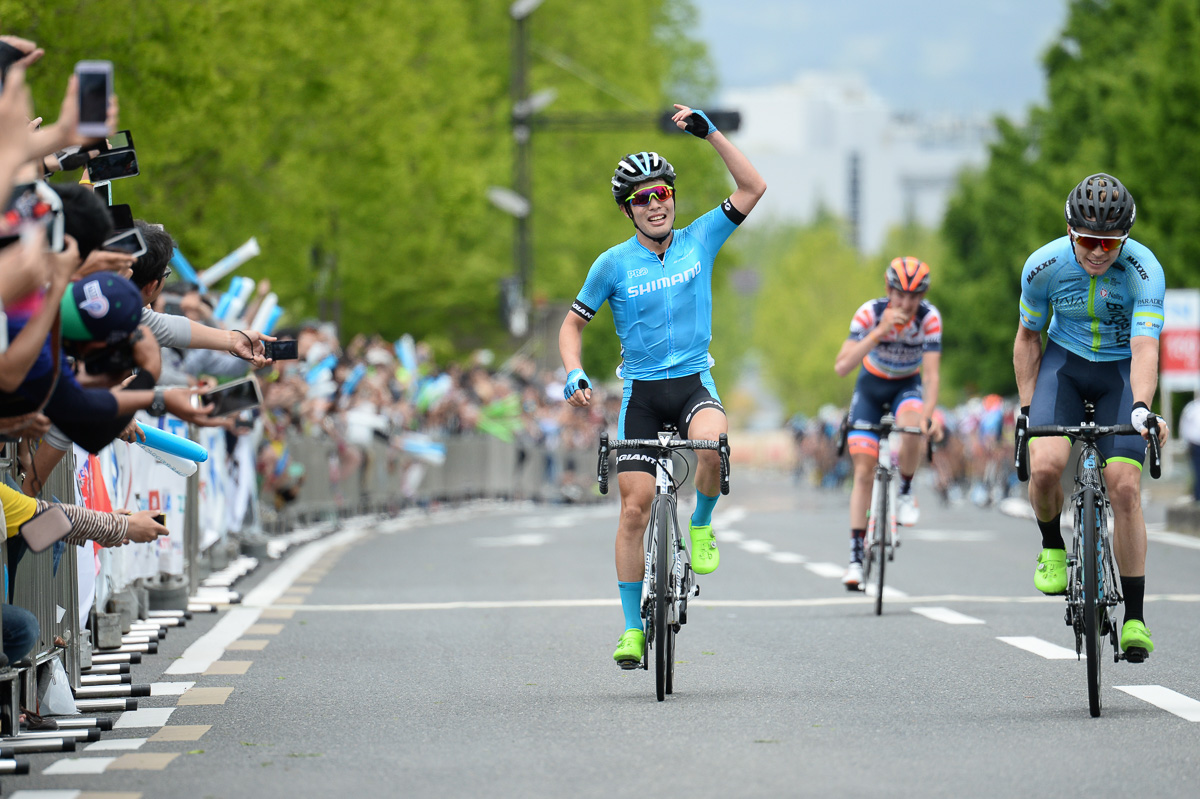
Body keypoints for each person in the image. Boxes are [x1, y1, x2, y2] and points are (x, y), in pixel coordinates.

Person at [559, 104, 766, 668]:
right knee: (635, 509)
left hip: (694, 382)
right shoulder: (613, 264)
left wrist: (711, 134)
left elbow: (753, 185)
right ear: (629, 209)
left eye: (663, 193)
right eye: (644, 198)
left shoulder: (700, 238)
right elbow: (573, 324)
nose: (656, 204)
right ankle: (631, 628)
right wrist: (572, 370)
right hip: (643, 397)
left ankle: (699, 525)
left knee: (715, 448)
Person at [1014, 172, 1168, 661]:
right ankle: (1052, 544)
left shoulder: (1144, 270)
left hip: (1120, 372)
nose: (1099, 252)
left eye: (1110, 242)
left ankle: (1137, 617)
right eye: (1088, 241)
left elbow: (1145, 346)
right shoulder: (1043, 266)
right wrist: (1024, 409)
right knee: (1043, 466)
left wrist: (1141, 408)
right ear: (1069, 232)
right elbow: (1028, 339)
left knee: (1124, 485)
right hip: (1066, 367)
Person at [833, 257, 943, 590]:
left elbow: (933, 374)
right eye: (900, 295)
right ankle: (854, 558)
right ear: (888, 290)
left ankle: (906, 490)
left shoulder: (929, 319)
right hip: (870, 386)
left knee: (912, 425)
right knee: (864, 471)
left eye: (915, 296)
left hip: (906, 386)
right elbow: (842, 366)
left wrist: (930, 413)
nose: (907, 304)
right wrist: (879, 333)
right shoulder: (869, 313)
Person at [1178, 396, 1200, 502]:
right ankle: (1197, 495)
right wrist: (1185, 442)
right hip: (1195, 444)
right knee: (1197, 470)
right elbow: (1184, 425)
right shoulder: (1192, 408)